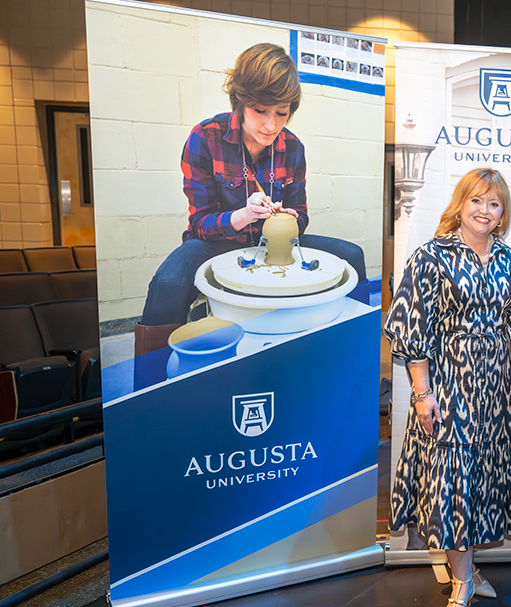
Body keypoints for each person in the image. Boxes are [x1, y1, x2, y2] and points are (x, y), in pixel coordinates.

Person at [134, 43, 366, 385]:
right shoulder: (205, 138)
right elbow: (199, 223)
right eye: (260, 111)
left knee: (352, 255)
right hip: (213, 242)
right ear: (239, 102)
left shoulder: (294, 148)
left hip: (272, 244)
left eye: (282, 113)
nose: (271, 125)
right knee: (168, 283)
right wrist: (241, 216)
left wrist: (287, 218)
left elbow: (301, 215)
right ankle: (148, 392)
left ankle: (354, 368)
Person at [385, 168, 511, 607]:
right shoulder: (432, 255)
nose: (485, 211)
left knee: (482, 476)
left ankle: (470, 569)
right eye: (477, 201)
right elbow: (411, 326)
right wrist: (422, 392)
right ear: (460, 203)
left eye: (495, 204)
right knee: (451, 478)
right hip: (449, 380)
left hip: (496, 383)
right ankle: (461, 584)